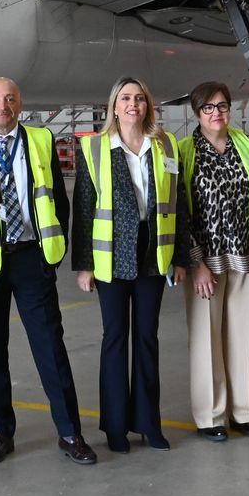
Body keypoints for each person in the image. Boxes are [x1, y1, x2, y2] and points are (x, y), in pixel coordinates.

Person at [0, 77, 97, 465]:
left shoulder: (41, 140)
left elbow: (57, 202)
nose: (2, 106)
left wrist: (52, 254)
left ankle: (69, 432)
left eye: (9, 99)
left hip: (32, 258)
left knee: (50, 347)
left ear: (20, 103)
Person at [72, 76, 189, 454]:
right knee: (115, 339)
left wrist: (181, 257)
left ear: (147, 105)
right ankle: (116, 428)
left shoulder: (165, 145)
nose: (133, 104)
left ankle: (148, 424)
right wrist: (84, 265)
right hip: (111, 256)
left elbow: (178, 202)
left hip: (154, 252)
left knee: (147, 339)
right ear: (114, 106)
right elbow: (84, 209)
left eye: (139, 98)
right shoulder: (94, 148)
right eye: (125, 98)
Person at [178, 81, 249, 442]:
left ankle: (241, 411)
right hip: (206, 263)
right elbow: (180, 213)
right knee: (206, 339)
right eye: (208, 107)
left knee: (240, 336)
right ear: (196, 113)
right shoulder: (185, 151)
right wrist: (195, 262)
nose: (216, 113)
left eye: (222, 106)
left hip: (244, 258)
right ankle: (211, 415)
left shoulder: (247, 145)